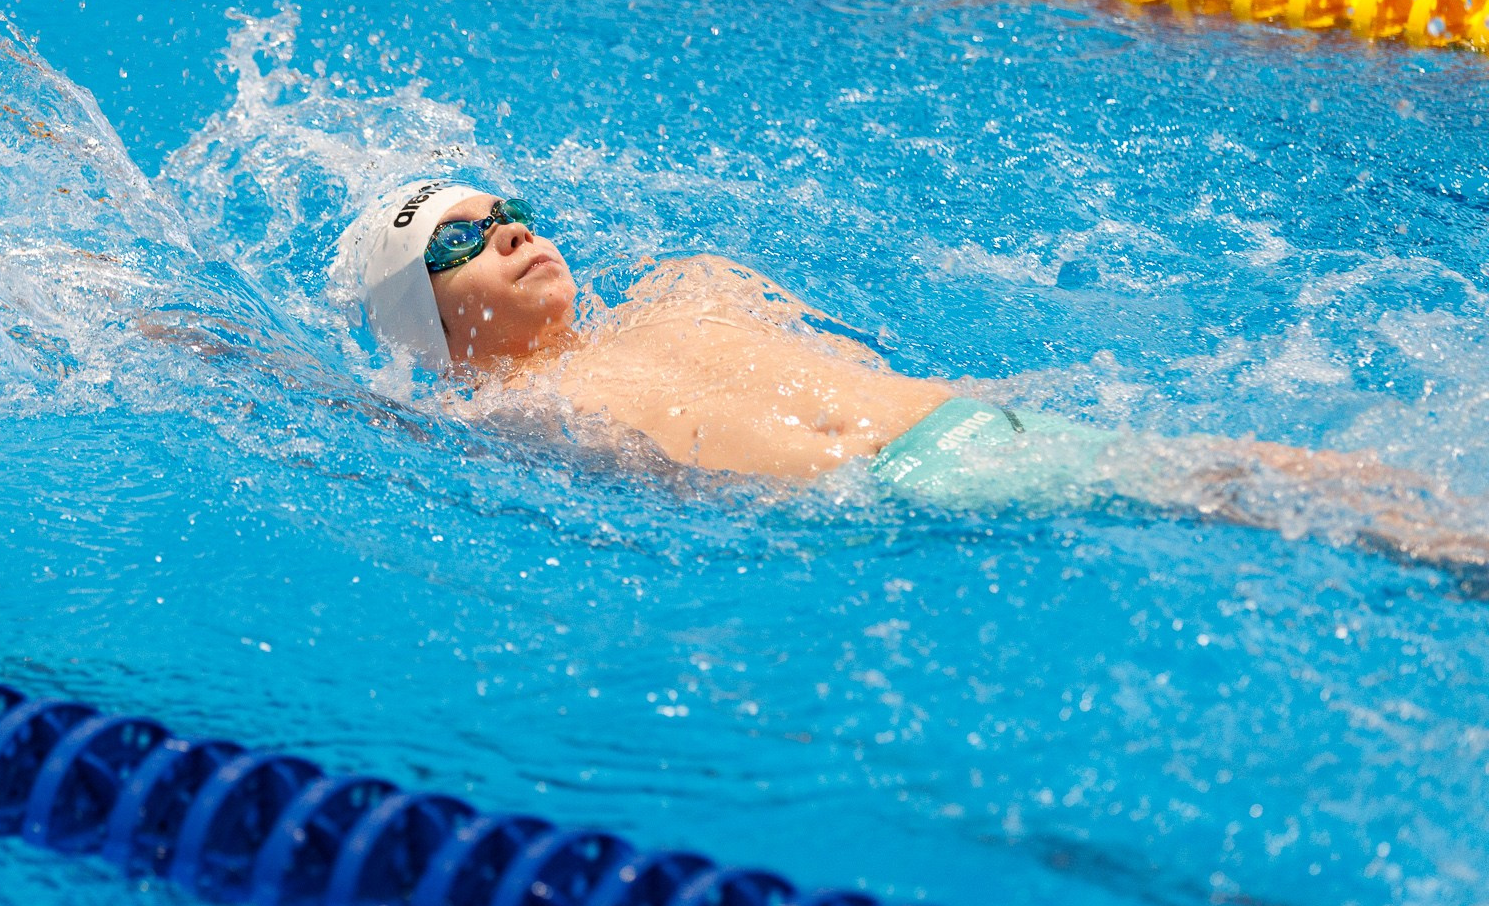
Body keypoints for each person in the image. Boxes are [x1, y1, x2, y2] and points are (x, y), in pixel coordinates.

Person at [337, 180, 1489, 580]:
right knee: (1248, 487)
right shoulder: (503, 415)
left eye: (511, 213)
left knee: (1274, 484)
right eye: (457, 242)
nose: (508, 233)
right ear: (425, 319)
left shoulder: (686, 287)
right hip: (904, 495)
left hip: (978, 437)